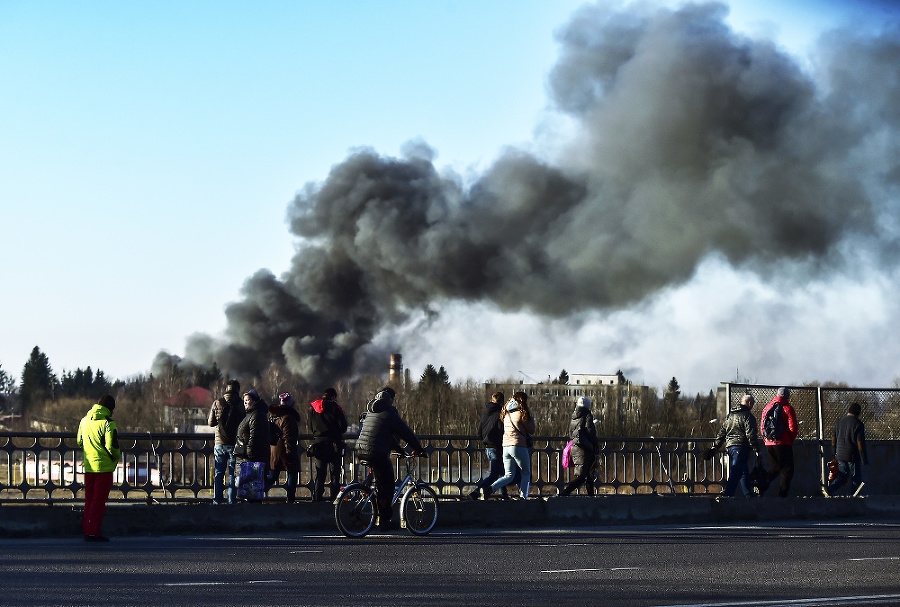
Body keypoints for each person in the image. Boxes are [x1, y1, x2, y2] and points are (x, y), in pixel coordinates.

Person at [354, 386, 424, 531]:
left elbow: (386, 436)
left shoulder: (371, 412)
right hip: (376, 453)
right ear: (389, 401)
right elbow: (405, 432)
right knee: (388, 486)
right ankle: (385, 522)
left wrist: (399, 450)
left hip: (360, 450)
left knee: (380, 481)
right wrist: (418, 448)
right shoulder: (389, 412)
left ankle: (370, 504)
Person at [77, 394, 121, 542]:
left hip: (89, 466)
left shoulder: (84, 420)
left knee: (89, 500)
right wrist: (117, 456)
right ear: (110, 408)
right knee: (99, 501)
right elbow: (112, 446)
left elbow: (79, 440)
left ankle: (87, 530)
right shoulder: (108, 423)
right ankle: (93, 532)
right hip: (104, 468)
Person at [705, 394, 764, 497]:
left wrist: (715, 446)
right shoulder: (748, 416)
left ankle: (748, 494)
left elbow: (722, 432)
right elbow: (751, 434)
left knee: (743, 471)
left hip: (730, 447)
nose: (753, 406)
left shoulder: (730, 416)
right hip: (741, 447)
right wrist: (756, 449)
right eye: (753, 404)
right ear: (749, 403)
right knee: (736, 471)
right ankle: (728, 495)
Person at [466, 391, 515, 500]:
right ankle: (475, 492)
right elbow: (502, 431)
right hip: (496, 447)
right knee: (494, 474)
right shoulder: (500, 415)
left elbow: (479, 433)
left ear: (492, 400)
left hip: (488, 448)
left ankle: (505, 496)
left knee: (500, 473)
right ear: (502, 403)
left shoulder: (485, 413)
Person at [490, 391, 536, 500]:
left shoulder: (506, 414)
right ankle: (523, 497)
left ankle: (490, 488)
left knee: (509, 475)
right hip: (518, 446)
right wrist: (532, 419)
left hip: (506, 447)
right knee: (526, 472)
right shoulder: (521, 413)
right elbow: (532, 430)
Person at [307, 387, 349, 502]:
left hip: (319, 444)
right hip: (334, 445)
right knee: (335, 475)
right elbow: (343, 427)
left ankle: (317, 499)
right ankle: (334, 499)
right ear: (334, 396)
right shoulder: (336, 409)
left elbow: (310, 427)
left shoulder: (314, 409)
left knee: (320, 474)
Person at [208, 379, 245, 504]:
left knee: (219, 473)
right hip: (235, 444)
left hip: (220, 443)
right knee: (232, 474)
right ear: (238, 390)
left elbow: (210, 423)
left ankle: (217, 501)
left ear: (226, 389)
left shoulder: (217, 403)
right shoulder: (240, 404)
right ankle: (231, 501)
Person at [760, 387, 799, 497]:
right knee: (787, 469)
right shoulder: (787, 408)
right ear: (787, 396)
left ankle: (762, 484)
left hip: (769, 442)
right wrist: (791, 439)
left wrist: (766, 439)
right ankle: (782, 494)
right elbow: (793, 426)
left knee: (775, 467)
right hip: (783, 442)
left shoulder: (767, 408)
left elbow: (762, 426)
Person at [234, 389, 270, 500]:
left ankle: (251, 513)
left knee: (251, 492)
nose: (245, 403)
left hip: (250, 460)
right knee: (246, 491)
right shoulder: (250, 414)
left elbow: (254, 437)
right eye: (244, 400)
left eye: (248, 400)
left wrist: (249, 455)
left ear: (254, 401)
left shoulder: (256, 415)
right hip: (245, 458)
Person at [825, 402, 868, 496]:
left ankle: (830, 489)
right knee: (855, 477)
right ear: (858, 413)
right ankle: (855, 496)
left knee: (842, 475)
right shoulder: (858, 424)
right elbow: (860, 443)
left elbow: (833, 438)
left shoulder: (839, 421)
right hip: (852, 455)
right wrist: (864, 458)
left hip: (840, 454)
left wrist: (834, 452)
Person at [560, 397, 599, 496]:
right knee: (584, 475)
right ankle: (566, 492)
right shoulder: (587, 415)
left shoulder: (574, 416)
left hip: (576, 447)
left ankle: (591, 496)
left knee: (585, 474)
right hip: (586, 449)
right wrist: (595, 444)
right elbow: (590, 431)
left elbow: (570, 433)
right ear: (588, 405)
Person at [266, 392, 302, 503]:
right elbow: (289, 437)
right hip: (284, 450)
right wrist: (290, 453)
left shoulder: (275, 416)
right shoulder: (288, 418)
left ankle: (255, 495)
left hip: (274, 450)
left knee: (272, 475)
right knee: (292, 473)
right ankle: (290, 499)